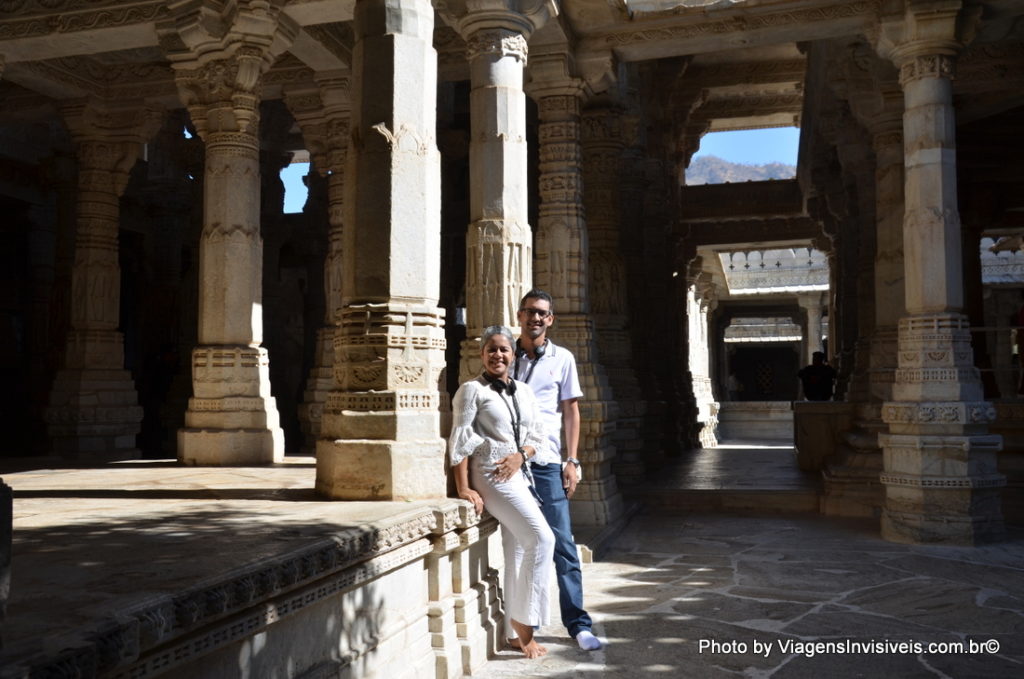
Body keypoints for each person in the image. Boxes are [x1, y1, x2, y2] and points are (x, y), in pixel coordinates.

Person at [448, 325, 555, 659]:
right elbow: (460, 439)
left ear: (513, 354)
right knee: (542, 539)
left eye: (504, 350)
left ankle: (511, 631)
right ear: (482, 354)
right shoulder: (471, 391)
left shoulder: (523, 391)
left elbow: (538, 436)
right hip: (491, 476)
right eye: (491, 349)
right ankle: (526, 625)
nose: (498, 355)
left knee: (519, 550)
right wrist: (464, 487)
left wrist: (521, 455)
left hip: (518, 474)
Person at [512, 289, 602, 651]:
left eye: (543, 314)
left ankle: (578, 624)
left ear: (550, 320)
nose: (536, 318)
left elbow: (571, 411)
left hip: (547, 462)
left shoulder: (562, 358)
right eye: (530, 312)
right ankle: (520, 625)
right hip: (509, 463)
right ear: (520, 315)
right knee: (520, 545)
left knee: (563, 544)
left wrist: (573, 459)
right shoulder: (505, 352)